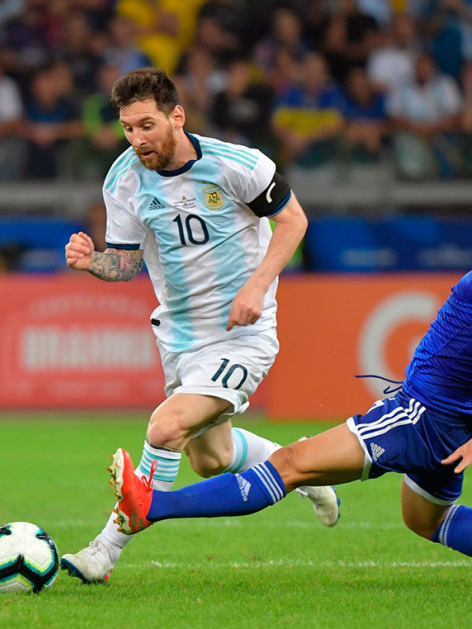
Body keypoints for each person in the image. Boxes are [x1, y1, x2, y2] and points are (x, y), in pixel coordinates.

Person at [108, 135, 472, 589]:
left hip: (422, 414)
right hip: (455, 422)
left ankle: (151, 506)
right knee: (425, 520)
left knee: (292, 464)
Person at [60, 68, 340, 585]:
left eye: (147, 125)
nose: (137, 139)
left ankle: (104, 551)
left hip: (242, 335)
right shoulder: (122, 179)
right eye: (127, 128)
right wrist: (92, 260)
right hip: (179, 339)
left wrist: (256, 287)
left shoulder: (239, 165)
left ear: (177, 116)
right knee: (210, 459)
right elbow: (126, 265)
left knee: (164, 427)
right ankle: (297, 467)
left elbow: (294, 220)